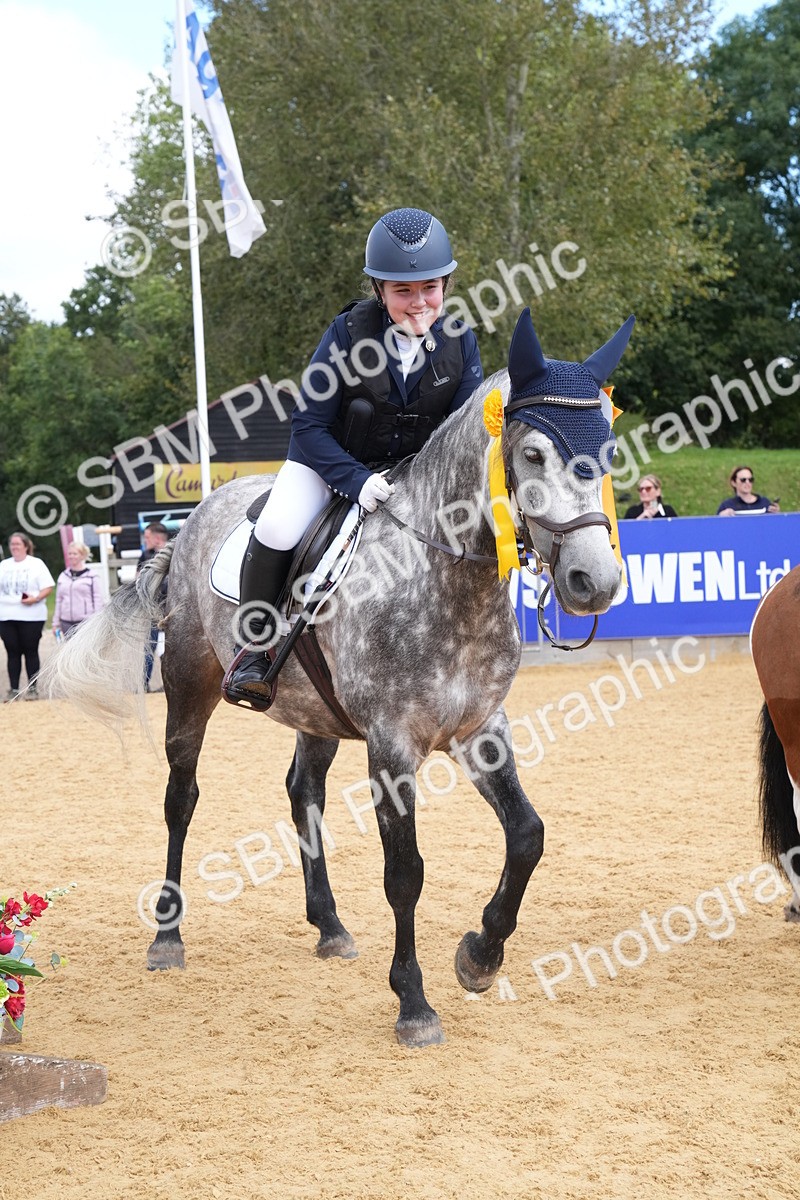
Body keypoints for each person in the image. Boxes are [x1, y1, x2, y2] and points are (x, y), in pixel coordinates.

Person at [225, 206, 484, 707]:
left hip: (409, 476)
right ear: (379, 290)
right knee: (277, 527)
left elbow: (461, 434)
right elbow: (308, 424)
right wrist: (355, 480)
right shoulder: (346, 334)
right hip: (329, 463)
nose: (418, 303)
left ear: (446, 286)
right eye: (403, 291)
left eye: (430, 288)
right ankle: (253, 648)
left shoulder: (460, 342)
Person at [0, 531, 55, 701]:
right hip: (6, 615)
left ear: (26, 546)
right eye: (12, 544)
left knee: (31, 651)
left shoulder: (36, 564)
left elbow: (48, 586)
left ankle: (32, 688)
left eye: (18, 544)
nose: (14, 547)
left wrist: (36, 598)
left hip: (31, 616)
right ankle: (14, 689)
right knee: (12, 652)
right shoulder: (4, 565)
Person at [136, 522, 169, 691]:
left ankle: (169, 684)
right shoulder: (145, 555)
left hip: (171, 608)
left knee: (171, 648)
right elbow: (138, 579)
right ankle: (144, 684)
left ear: (157, 539)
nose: (145, 540)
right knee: (149, 647)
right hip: (153, 608)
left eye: (147, 537)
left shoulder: (175, 553)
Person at [52, 542, 103, 639]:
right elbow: (59, 600)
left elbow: (97, 600)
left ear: (82, 555)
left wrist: (97, 621)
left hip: (85, 622)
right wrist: (55, 623)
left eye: (75, 554)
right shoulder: (63, 576)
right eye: (70, 554)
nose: (71, 556)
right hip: (66, 622)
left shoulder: (92, 576)